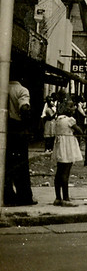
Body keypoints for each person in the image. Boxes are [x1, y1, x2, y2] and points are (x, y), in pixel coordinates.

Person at [3, 65, 36, 207]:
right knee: (21, 164)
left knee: (6, 164)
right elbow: (24, 108)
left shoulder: (3, 88)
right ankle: (24, 196)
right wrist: (27, 125)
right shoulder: (21, 90)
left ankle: (8, 195)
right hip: (17, 128)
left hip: (4, 127)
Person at [52, 100, 83, 207]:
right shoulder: (70, 120)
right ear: (66, 109)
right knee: (66, 172)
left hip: (60, 146)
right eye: (71, 106)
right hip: (68, 147)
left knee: (59, 172)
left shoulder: (58, 119)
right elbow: (79, 131)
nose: (73, 108)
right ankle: (66, 198)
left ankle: (57, 198)